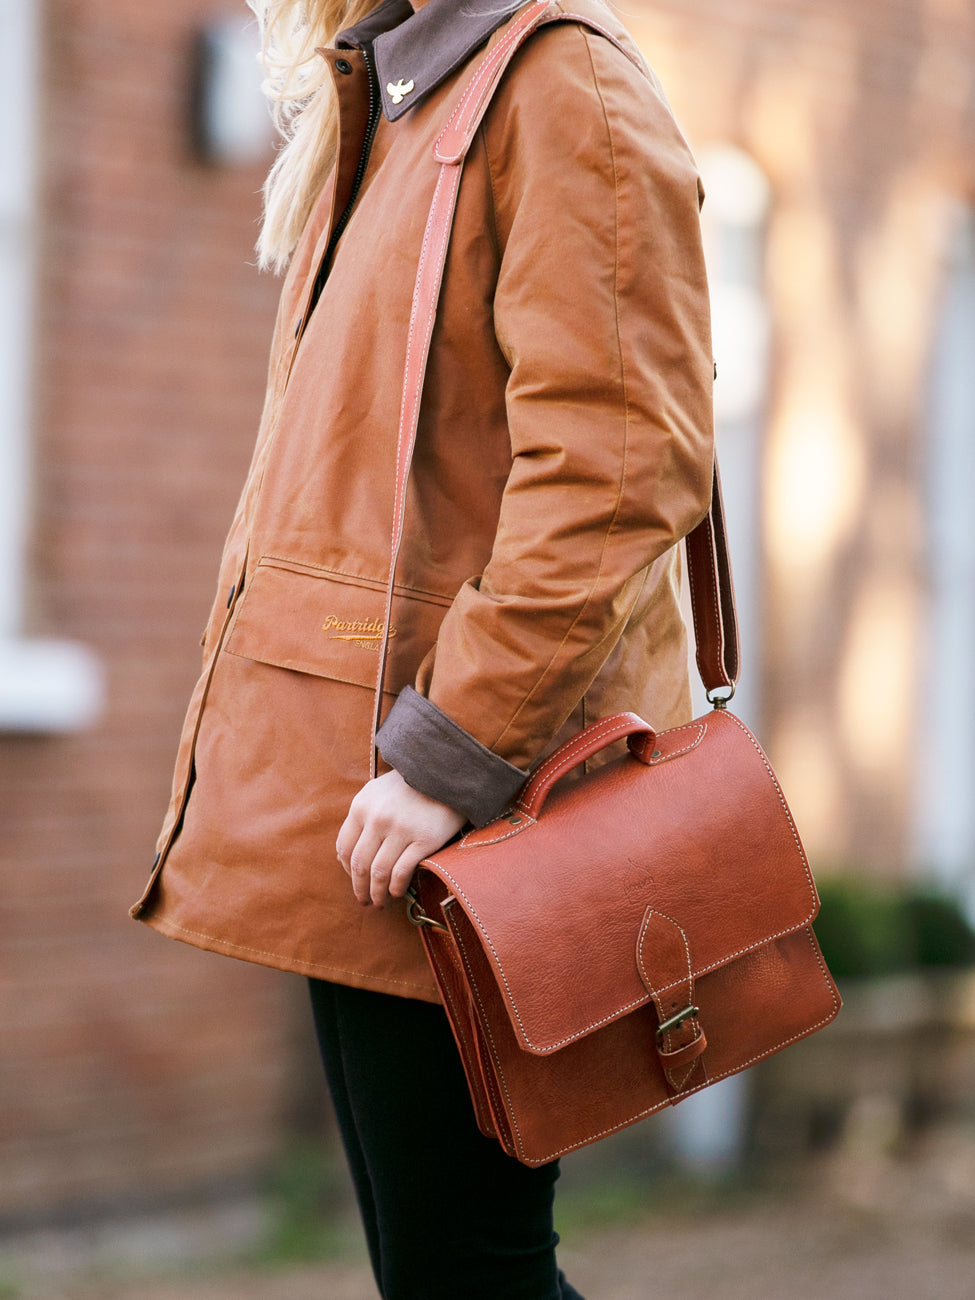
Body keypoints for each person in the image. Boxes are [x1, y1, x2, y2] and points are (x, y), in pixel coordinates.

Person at [131, 0, 714, 1294]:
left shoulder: (560, 92)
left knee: (470, 1274)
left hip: (468, 822)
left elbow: (616, 476)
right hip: (368, 813)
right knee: (444, 1275)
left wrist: (452, 756)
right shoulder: (392, 99)